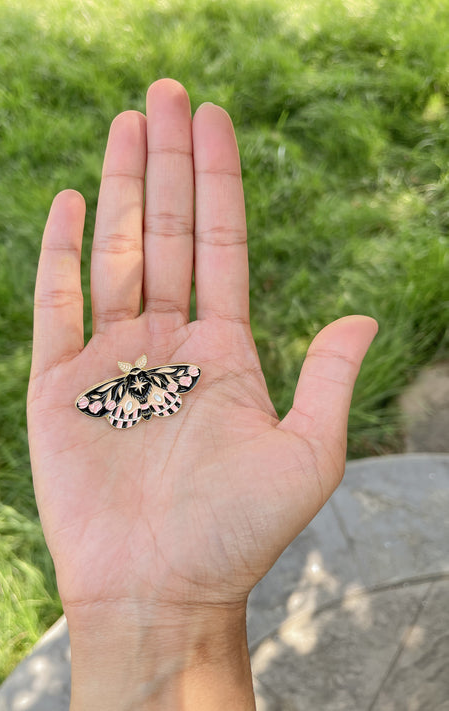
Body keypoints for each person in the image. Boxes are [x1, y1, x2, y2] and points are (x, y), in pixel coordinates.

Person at [27, 78, 377, 710]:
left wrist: (164, 611)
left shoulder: (136, 391)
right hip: (146, 394)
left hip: (142, 395)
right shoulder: (142, 390)